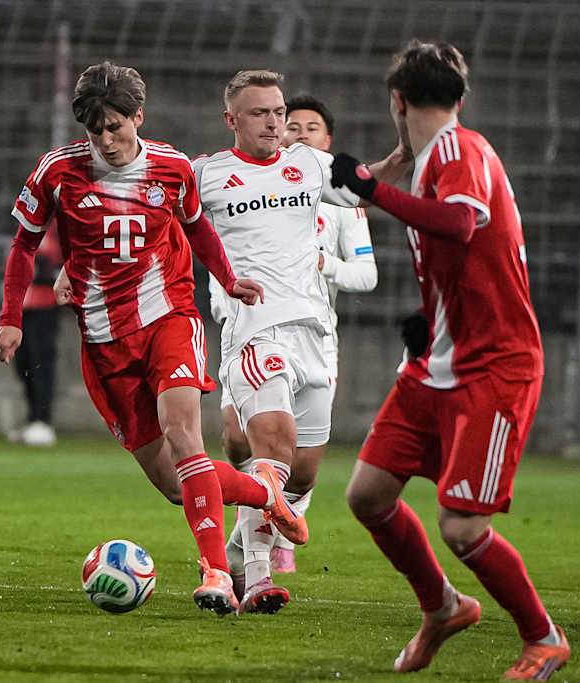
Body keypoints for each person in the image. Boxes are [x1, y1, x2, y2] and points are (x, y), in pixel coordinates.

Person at [0, 61, 302, 617]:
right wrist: (11, 316)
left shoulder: (172, 167)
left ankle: (214, 573)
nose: (107, 141)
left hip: (169, 317)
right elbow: (22, 244)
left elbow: (196, 227)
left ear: (139, 117)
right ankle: (264, 493)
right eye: (96, 131)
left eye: (117, 127)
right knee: (171, 483)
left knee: (186, 436)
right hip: (104, 340)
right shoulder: (57, 172)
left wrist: (228, 281)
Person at [330, 40, 570, 679]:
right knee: (368, 496)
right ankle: (443, 607)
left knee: (462, 527)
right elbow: (467, 256)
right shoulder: (437, 154)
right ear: (459, 96)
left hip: (494, 368)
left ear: (397, 101)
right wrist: (430, 320)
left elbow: (461, 225)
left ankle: (544, 638)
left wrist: (369, 187)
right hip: (439, 360)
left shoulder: (459, 151)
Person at [195, 70, 363, 614]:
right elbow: (161, 223)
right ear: (232, 121)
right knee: (263, 445)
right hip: (249, 326)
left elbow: (369, 266)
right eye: (263, 114)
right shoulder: (206, 175)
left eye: (280, 113)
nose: (276, 123)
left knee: (299, 469)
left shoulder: (313, 172)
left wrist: (412, 144)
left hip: (315, 333)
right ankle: (254, 574)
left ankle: (242, 549)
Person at [7, 223, 63, 446]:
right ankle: (32, 418)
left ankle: (43, 421)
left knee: (42, 362)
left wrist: (46, 270)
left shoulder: (59, 224)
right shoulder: (25, 222)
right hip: (22, 305)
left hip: (45, 305)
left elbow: (65, 258)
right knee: (24, 363)